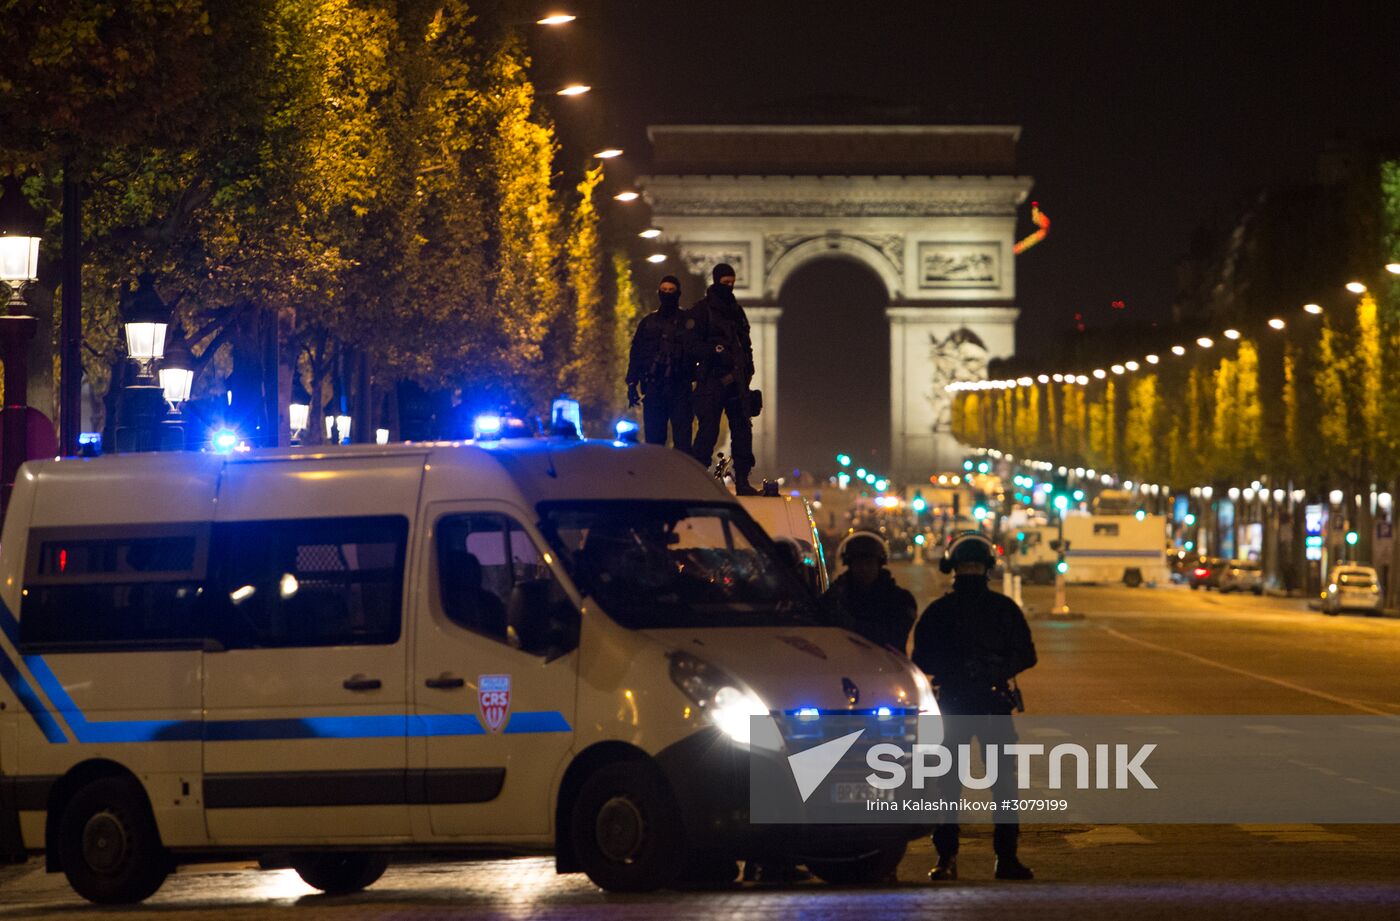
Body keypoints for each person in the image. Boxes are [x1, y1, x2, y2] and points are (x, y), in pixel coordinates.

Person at [911, 531, 1037, 882]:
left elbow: (1027, 654)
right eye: (965, 565)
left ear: (986, 569)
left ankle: (1007, 857)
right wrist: (957, 667)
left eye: (975, 565)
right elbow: (921, 657)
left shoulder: (1003, 610)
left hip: (992, 700)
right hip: (954, 700)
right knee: (948, 784)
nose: (970, 571)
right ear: (954, 568)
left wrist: (994, 668)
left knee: (1003, 785)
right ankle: (947, 857)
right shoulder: (940, 612)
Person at [690, 263, 757, 494]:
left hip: (736, 382)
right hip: (713, 380)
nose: (729, 287)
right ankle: (698, 480)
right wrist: (713, 352)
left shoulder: (738, 312)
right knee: (708, 431)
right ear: (716, 281)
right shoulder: (701, 310)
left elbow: (746, 345)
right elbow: (691, 345)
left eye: (732, 283)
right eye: (725, 283)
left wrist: (747, 370)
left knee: (742, 430)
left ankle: (743, 481)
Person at [625, 275, 695, 453]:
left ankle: (680, 480)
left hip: (680, 388)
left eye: (671, 291)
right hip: (655, 387)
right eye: (664, 291)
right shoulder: (648, 323)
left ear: (678, 293)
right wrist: (631, 383)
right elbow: (637, 354)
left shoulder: (689, 323)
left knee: (683, 443)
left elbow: (699, 352)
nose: (667, 294)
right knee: (654, 444)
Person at [821, 531, 916, 652]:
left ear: (879, 564)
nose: (864, 569)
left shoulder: (901, 600)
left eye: (869, 563)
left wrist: (852, 625)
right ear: (850, 565)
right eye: (859, 563)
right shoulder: (835, 597)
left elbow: (892, 637)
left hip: (886, 667)